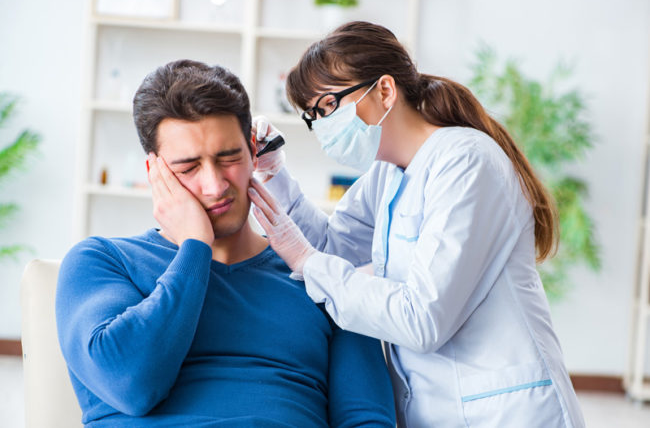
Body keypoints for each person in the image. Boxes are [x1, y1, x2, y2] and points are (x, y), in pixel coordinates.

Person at [248, 21, 585, 427]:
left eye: (328, 107)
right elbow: (331, 250)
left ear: (385, 90)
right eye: (312, 116)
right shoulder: (387, 173)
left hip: (505, 412)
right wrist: (273, 176)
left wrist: (306, 260)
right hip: (435, 409)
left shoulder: (465, 161)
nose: (322, 126)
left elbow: (423, 319)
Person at [55, 59, 396, 428]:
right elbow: (131, 386)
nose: (215, 186)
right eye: (188, 169)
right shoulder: (101, 261)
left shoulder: (323, 275)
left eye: (229, 157)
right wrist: (194, 250)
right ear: (155, 173)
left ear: (253, 150)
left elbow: (367, 420)